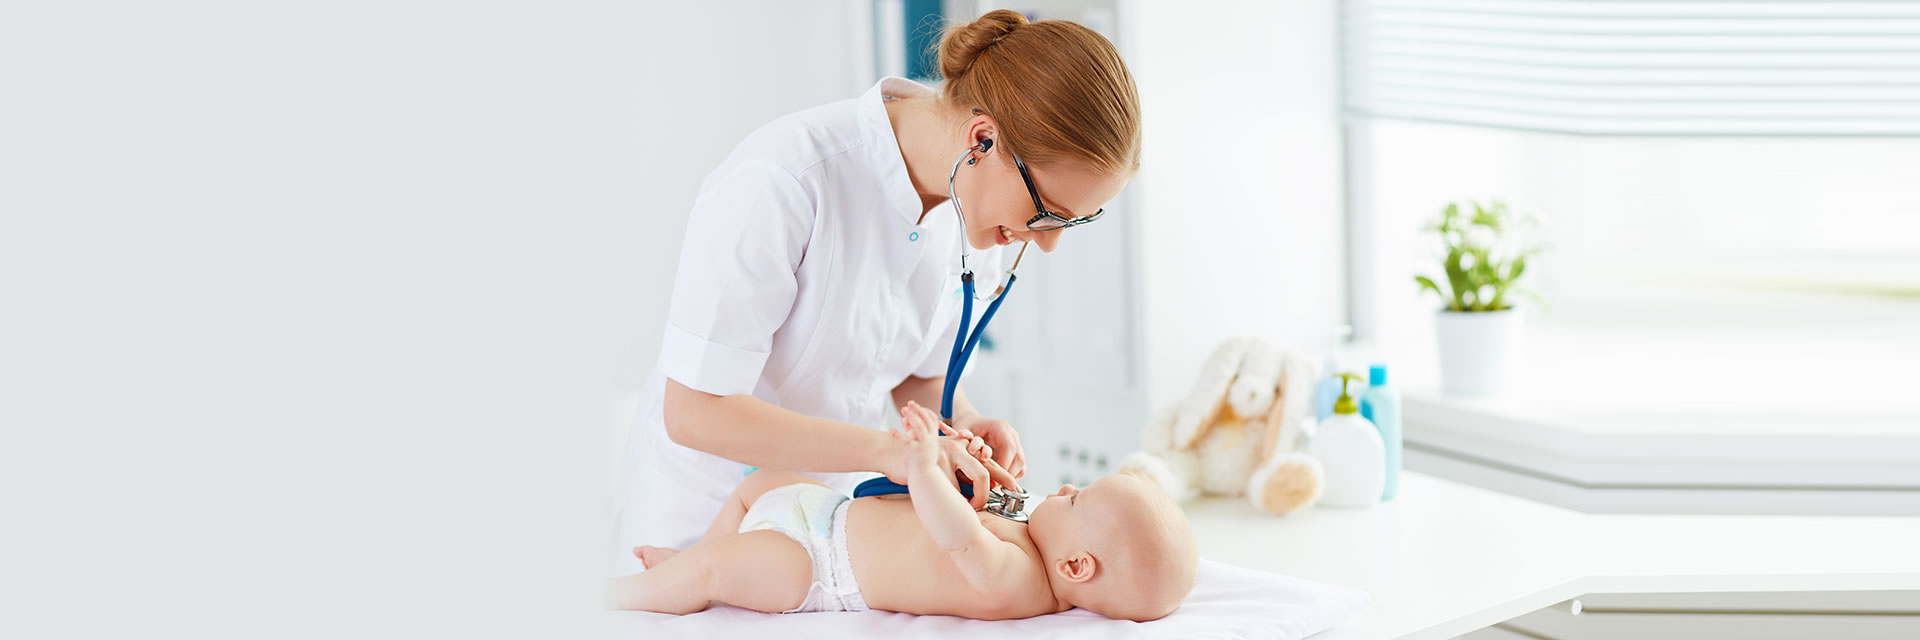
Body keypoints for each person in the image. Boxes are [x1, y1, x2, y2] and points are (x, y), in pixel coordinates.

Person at [616, 8, 1143, 568]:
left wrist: (959, 420)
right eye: (1047, 214)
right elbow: (697, 412)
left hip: (822, 536)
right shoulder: (783, 180)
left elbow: (911, 367)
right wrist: (894, 453)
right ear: (982, 139)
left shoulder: (976, 212)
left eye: (1071, 223)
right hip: (700, 530)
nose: (1046, 243)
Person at [610, 401, 1198, 621]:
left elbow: (960, 538)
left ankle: (643, 588)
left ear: (1077, 567)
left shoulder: (1022, 583)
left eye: (1078, 498)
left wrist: (923, 471)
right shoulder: (1034, 533)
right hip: (830, 512)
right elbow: (978, 510)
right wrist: (971, 463)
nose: (1064, 487)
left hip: (817, 567)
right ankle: (689, 561)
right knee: (756, 485)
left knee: (727, 569)